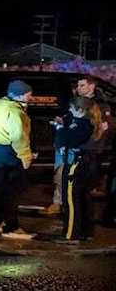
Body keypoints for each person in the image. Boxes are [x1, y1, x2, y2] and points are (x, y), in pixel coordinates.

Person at [43, 75, 112, 216]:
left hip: (81, 148)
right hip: (67, 144)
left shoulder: (99, 105)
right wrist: (63, 123)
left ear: (91, 86)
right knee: (60, 174)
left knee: (76, 182)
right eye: (77, 86)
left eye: (82, 86)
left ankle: (73, 211)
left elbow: (97, 128)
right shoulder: (73, 101)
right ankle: (59, 203)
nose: (78, 89)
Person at [0, 79, 35, 239]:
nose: (30, 98)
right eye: (28, 95)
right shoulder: (15, 112)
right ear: (20, 96)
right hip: (10, 154)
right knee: (11, 192)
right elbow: (19, 137)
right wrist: (26, 158)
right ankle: (12, 226)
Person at [52, 96, 103, 243]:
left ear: (80, 110)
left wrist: (60, 128)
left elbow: (65, 138)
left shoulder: (83, 126)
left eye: (72, 108)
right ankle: (86, 231)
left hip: (76, 164)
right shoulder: (86, 123)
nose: (69, 110)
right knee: (83, 198)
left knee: (71, 200)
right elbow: (69, 122)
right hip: (85, 164)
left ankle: (71, 234)